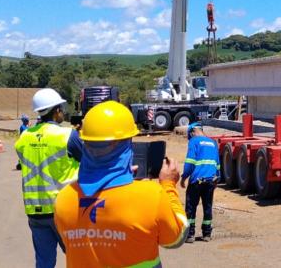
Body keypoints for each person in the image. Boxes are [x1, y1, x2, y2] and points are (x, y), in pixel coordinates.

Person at [54, 100, 188, 267]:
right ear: (126, 145)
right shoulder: (151, 196)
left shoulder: (64, 198)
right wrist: (168, 185)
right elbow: (176, 238)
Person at [15, 88, 80, 268]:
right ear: (56, 110)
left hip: (35, 212)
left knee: (44, 263)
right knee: (78, 259)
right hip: (63, 210)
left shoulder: (24, 137)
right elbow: (88, 161)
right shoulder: (67, 135)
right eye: (61, 108)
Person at [179, 122, 220, 243]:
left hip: (196, 180)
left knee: (191, 207)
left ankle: (190, 235)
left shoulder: (194, 141)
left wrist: (184, 177)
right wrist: (218, 178)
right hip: (210, 180)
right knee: (207, 207)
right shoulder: (213, 143)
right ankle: (207, 234)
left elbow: (190, 162)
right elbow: (217, 163)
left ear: (192, 132)